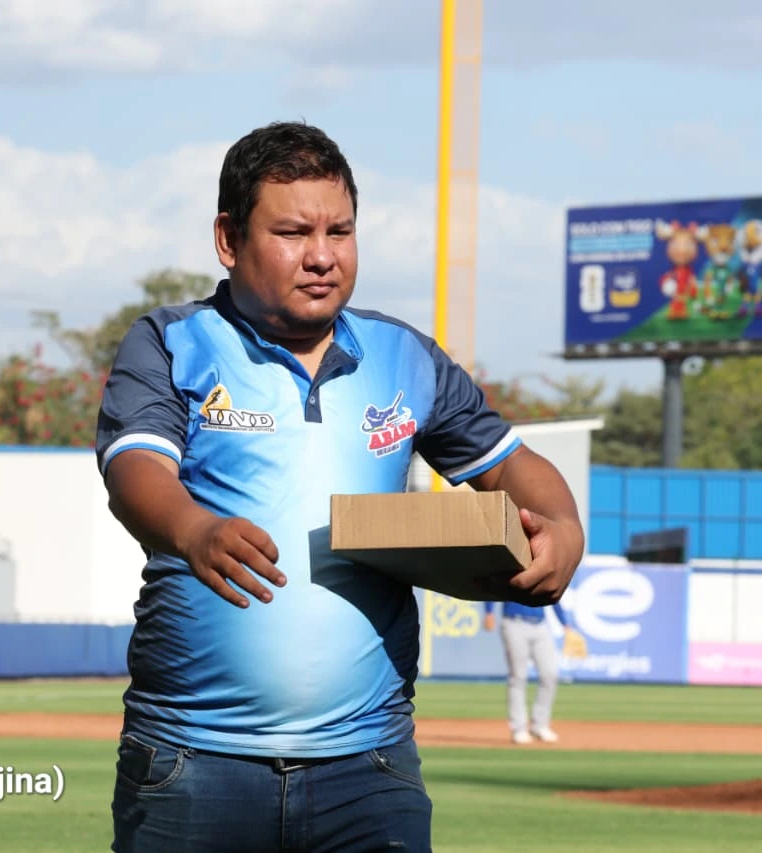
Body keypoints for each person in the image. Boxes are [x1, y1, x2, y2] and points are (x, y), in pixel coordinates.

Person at [96, 120, 585, 852]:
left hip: (369, 769)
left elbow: (511, 464)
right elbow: (133, 469)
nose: (322, 255)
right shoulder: (171, 340)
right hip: (192, 761)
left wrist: (564, 528)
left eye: (341, 231)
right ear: (228, 239)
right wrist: (193, 529)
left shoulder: (405, 356)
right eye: (293, 232)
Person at [483, 600, 569, 744]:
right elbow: (494, 591)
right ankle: (518, 729)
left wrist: (565, 624)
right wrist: (489, 612)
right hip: (514, 623)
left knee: (550, 674)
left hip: (540, 625)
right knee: (518, 677)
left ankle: (540, 726)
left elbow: (553, 596)